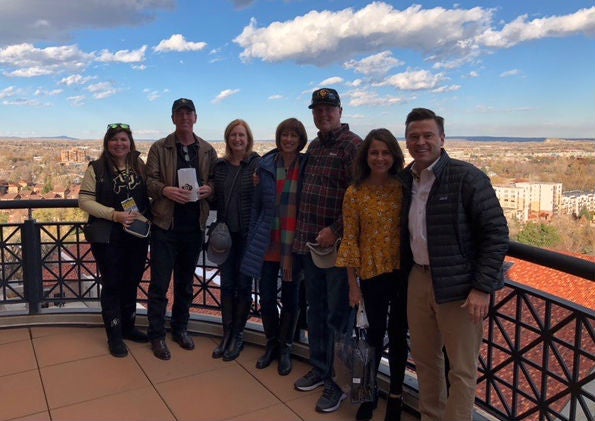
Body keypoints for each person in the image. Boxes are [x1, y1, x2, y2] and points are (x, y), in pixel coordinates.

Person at [399, 108, 509, 421]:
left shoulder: (466, 177)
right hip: (418, 280)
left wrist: (480, 287)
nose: (420, 142)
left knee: (461, 369)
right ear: (407, 141)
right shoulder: (408, 179)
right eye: (414, 136)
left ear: (442, 138)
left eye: (427, 135)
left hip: (461, 289)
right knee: (425, 360)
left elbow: (497, 233)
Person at [292, 88, 362, 413]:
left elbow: (359, 198)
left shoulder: (353, 147)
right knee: (316, 311)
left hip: (337, 251)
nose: (323, 115)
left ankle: (338, 384)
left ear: (340, 111)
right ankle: (320, 368)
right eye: (317, 110)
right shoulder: (316, 146)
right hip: (310, 247)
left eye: (328, 109)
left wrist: (335, 229)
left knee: (337, 317)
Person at [336, 128, 408, 421]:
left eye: (386, 152)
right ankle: (368, 392)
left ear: (394, 156)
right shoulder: (355, 192)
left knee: (399, 336)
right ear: (366, 156)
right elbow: (350, 239)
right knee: (372, 336)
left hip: (403, 273)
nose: (380, 158)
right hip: (372, 274)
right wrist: (353, 285)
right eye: (374, 152)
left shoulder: (404, 187)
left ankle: (396, 395)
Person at [145, 98, 217, 360]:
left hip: (194, 227)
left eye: (189, 113)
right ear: (173, 118)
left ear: (195, 118)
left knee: (186, 284)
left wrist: (210, 188)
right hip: (166, 225)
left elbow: (214, 181)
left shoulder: (207, 150)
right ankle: (156, 335)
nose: (185, 117)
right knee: (159, 284)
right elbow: (149, 181)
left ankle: (180, 329)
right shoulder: (159, 148)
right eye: (180, 113)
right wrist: (165, 190)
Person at [240, 118, 308, 376]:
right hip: (268, 242)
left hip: (294, 245)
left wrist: (292, 251)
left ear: (300, 139)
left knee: (291, 299)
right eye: (284, 135)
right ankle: (271, 344)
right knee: (267, 297)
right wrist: (252, 238)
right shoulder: (265, 166)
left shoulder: (307, 166)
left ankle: (286, 347)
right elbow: (257, 206)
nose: (289, 139)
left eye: (293, 135)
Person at [79, 123, 150, 358]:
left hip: (136, 235)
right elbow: (85, 202)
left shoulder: (138, 165)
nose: (119, 144)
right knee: (112, 284)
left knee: (132, 280)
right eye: (115, 139)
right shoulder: (96, 169)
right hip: (108, 235)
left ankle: (129, 327)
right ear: (107, 143)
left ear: (130, 143)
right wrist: (115, 215)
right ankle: (115, 334)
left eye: (124, 139)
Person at [211, 119, 261, 361]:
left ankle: (238, 335)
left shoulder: (256, 164)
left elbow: (265, 197)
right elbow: (213, 197)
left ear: (248, 138)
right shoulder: (219, 167)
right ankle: (227, 333)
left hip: (247, 236)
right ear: (228, 138)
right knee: (227, 285)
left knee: (243, 285)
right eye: (233, 135)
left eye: (241, 135)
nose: (237, 139)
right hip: (225, 236)